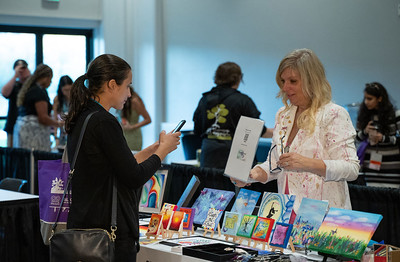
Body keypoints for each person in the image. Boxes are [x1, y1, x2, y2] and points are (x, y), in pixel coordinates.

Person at [64, 54, 180, 262]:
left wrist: (155, 149)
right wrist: (162, 153)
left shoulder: (83, 116)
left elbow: (117, 165)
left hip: (85, 225)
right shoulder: (104, 121)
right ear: (111, 85)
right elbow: (134, 177)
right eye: (127, 86)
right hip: (108, 231)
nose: (129, 93)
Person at [232, 49, 360, 214]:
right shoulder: (283, 115)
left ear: (312, 81)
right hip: (285, 211)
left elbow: (351, 168)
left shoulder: (334, 114)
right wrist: (253, 174)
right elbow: (275, 164)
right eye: (283, 81)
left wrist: (307, 163)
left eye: (293, 81)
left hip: (323, 215)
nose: (285, 87)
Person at [193, 62, 273, 169]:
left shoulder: (204, 100)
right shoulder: (243, 101)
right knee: (235, 185)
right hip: (237, 157)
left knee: (209, 186)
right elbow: (258, 131)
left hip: (209, 157)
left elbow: (197, 130)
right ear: (239, 78)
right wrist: (278, 132)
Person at [13, 64, 63, 152]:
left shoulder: (29, 88)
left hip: (23, 129)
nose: (50, 82)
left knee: (26, 160)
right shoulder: (38, 92)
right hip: (34, 132)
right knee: (34, 161)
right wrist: (59, 124)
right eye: (50, 79)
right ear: (46, 78)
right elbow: (43, 118)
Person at [356, 82, 400, 179]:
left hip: (392, 166)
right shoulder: (364, 116)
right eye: (365, 98)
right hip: (370, 166)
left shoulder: (396, 115)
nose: (366, 102)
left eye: (370, 98)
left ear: (380, 98)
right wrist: (365, 132)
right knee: (371, 193)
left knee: (390, 193)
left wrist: (383, 138)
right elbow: (356, 139)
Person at [1, 59, 31, 147]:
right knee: (11, 153)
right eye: (19, 69)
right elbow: (4, 93)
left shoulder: (31, 86)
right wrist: (15, 75)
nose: (22, 71)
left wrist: (29, 76)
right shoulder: (14, 85)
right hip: (12, 123)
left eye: (24, 68)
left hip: (28, 126)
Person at [120, 86, 151, 151]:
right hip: (123, 133)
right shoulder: (121, 101)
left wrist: (132, 127)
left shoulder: (134, 101)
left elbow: (148, 119)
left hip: (133, 135)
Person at [53, 75, 73, 149]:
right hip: (62, 132)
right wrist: (56, 138)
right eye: (65, 90)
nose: (68, 92)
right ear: (61, 89)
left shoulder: (77, 99)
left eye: (70, 89)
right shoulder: (57, 99)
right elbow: (55, 120)